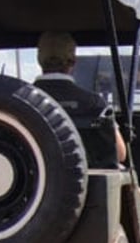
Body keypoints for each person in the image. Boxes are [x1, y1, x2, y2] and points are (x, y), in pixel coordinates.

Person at [33, 31, 127, 163]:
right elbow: (119, 153)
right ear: (73, 60)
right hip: (86, 182)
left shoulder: (19, 102)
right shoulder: (94, 104)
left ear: (39, 60)